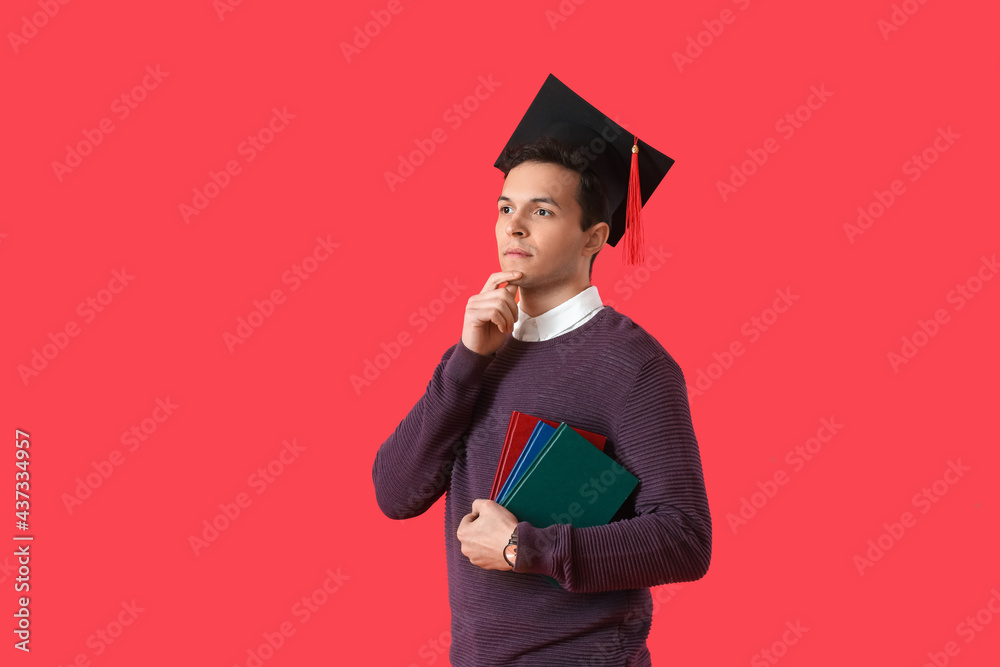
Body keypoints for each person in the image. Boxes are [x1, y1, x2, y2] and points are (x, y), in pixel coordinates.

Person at [372, 74, 711, 666]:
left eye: (542, 210)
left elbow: (684, 540)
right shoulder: (478, 353)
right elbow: (394, 494)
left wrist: (521, 548)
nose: (514, 226)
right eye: (506, 207)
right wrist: (468, 360)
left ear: (594, 237)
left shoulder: (635, 366)